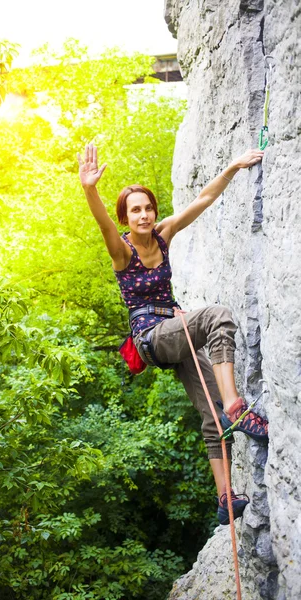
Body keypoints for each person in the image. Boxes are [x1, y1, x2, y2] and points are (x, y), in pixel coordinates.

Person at [77, 143, 269, 525]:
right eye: (135, 210)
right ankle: (237, 405)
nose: (144, 214)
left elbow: (203, 199)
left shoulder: (164, 235)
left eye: (148, 207)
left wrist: (231, 167)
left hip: (173, 332)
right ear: (126, 218)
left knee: (212, 417)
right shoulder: (122, 251)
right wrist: (89, 189)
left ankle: (225, 499)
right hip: (151, 336)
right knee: (218, 317)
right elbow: (102, 223)